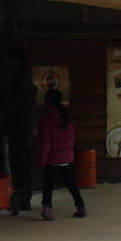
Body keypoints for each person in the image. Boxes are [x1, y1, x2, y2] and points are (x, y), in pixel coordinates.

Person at [0, 47, 38, 214]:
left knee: (20, 159)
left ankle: (23, 195)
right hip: (18, 124)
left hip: (20, 125)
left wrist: (1, 117)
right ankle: (21, 195)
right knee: (18, 159)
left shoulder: (21, 79)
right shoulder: (18, 76)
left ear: (16, 60)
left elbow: (14, 102)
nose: (8, 63)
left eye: (10, 60)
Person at [35, 88, 85, 220]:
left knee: (48, 185)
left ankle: (47, 209)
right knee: (71, 184)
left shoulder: (46, 117)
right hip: (66, 157)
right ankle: (80, 207)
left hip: (52, 157)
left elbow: (45, 142)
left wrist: (41, 160)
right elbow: (71, 136)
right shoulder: (65, 115)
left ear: (47, 101)